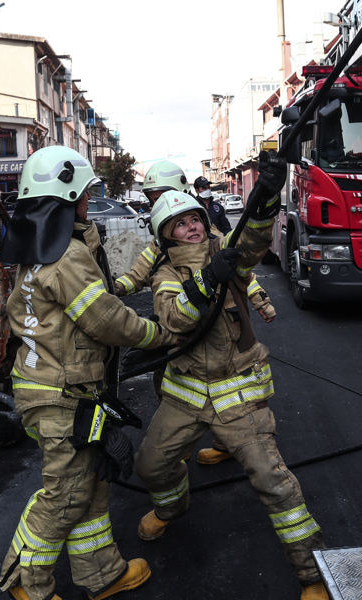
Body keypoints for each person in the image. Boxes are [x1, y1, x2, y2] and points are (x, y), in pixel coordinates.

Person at [134, 152, 330, 600]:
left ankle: (313, 573)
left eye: (196, 219)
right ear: (167, 235)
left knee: (275, 484)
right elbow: (173, 318)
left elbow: (256, 243)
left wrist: (265, 200)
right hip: (184, 396)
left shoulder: (228, 253)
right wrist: (206, 282)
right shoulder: (164, 274)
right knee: (151, 465)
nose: (193, 226)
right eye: (181, 223)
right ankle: (172, 508)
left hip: (237, 395)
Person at [0, 146, 182, 600]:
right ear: (69, 194)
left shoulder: (38, 251)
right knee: (64, 495)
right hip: (61, 394)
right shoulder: (67, 257)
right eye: (87, 192)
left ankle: (103, 575)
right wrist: (160, 335)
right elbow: (106, 321)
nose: (92, 199)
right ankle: (25, 584)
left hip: (56, 389)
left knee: (91, 483)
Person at [113, 161, 276, 466]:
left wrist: (260, 300)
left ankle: (223, 441)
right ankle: (178, 442)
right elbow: (139, 273)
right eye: (152, 197)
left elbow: (240, 263)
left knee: (228, 400)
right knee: (171, 386)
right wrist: (114, 289)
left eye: (162, 193)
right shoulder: (161, 243)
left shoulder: (202, 232)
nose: (157, 201)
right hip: (181, 336)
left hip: (222, 336)